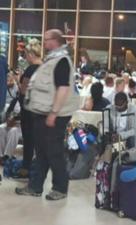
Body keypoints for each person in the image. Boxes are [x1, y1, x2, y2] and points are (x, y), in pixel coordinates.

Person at [16, 29, 80, 200]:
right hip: (42, 112)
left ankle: (60, 188)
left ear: (55, 41)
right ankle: (35, 186)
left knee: (54, 151)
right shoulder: (51, 60)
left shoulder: (61, 61)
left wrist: (54, 113)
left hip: (54, 115)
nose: (43, 43)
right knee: (42, 151)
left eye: (46, 40)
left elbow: (63, 88)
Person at [16, 38, 42, 177]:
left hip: (28, 110)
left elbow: (24, 91)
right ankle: (38, 167)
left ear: (31, 54)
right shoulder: (44, 68)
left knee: (29, 139)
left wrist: (18, 81)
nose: (25, 57)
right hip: (41, 110)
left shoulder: (30, 69)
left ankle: (26, 167)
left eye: (26, 54)